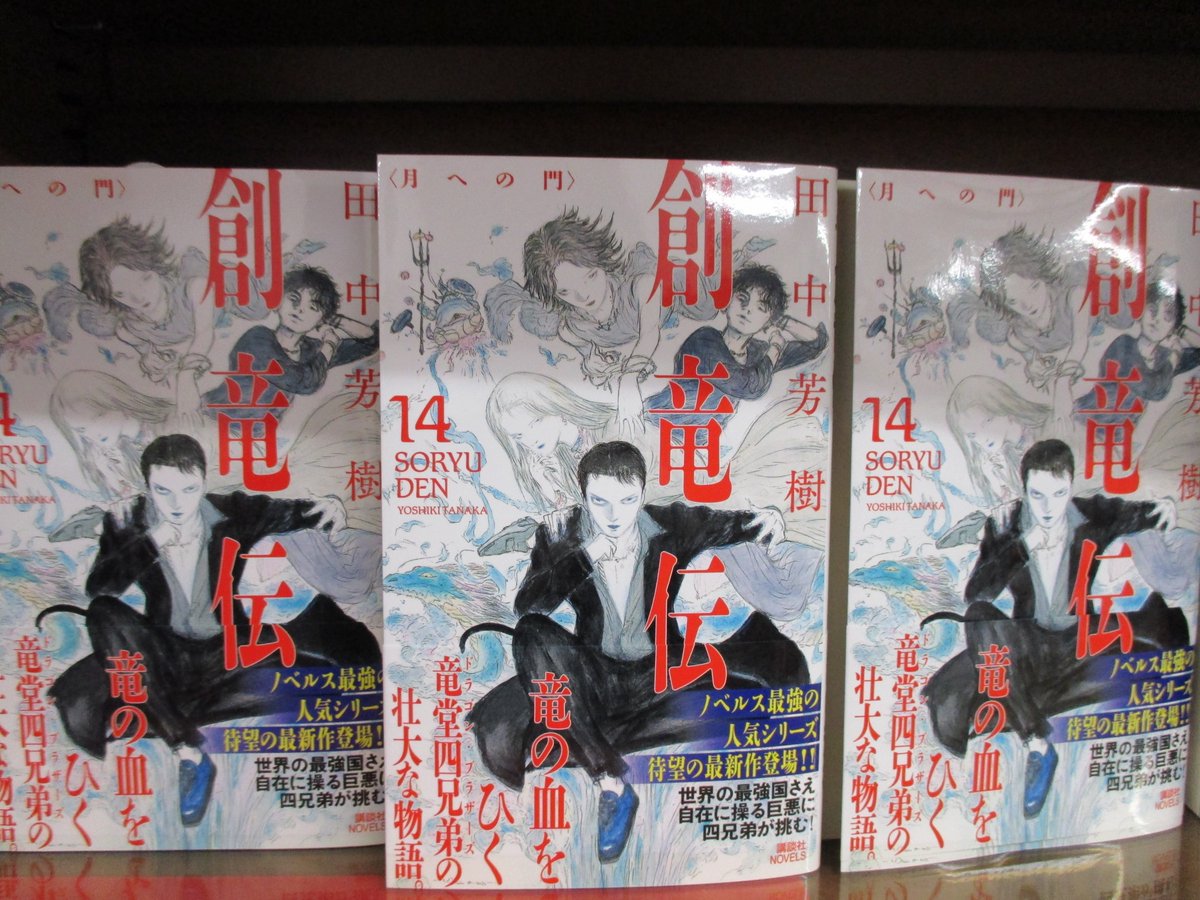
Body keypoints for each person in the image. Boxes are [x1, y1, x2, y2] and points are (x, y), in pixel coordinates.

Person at [465, 441, 807, 862]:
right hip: (593, 677)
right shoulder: (562, 534)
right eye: (600, 502)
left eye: (627, 501)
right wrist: (585, 556)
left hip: (658, 673)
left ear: (642, 494)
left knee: (744, 675)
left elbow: (727, 525)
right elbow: (528, 606)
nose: (614, 515)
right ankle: (611, 781)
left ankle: (595, 744)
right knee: (531, 634)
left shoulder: (670, 525)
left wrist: (765, 519)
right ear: (584, 496)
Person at [40, 434, 380, 826]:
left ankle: (171, 715)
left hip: (226, 650)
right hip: (163, 653)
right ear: (147, 486)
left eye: (188, 490)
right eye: (163, 491)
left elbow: (288, 512)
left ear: (202, 482)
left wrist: (328, 505)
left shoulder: (231, 511)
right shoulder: (130, 521)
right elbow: (101, 586)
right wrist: (153, 541)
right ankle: (188, 751)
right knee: (103, 613)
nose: (177, 504)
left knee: (322, 667)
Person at [921, 439, 1188, 818]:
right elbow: (977, 592)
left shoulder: (1091, 514)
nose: (1048, 508)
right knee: (979, 617)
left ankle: (1028, 716)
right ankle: (1037, 743)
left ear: (1070, 486)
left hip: (1078, 641)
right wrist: (1023, 546)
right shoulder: (1007, 525)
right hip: (1029, 644)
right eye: (1038, 495)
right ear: (1025, 488)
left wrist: (1165, 507)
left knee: (1156, 632)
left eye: (1059, 494)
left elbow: (1138, 513)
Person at [645, 263, 827, 427]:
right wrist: (776, 348)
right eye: (742, 299)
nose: (748, 310)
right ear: (727, 302)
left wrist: (781, 321)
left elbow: (815, 344)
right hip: (656, 427)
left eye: (760, 308)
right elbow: (748, 386)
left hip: (700, 441)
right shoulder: (704, 340)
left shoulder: (757, 353)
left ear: (769, 320)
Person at [202, 265, 378, 420]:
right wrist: (330, 344)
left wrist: (336, 320)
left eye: (312, 307)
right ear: (279, 300)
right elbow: (304, 382)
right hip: (212, 421)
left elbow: (370, 342)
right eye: (294, 299)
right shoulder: (257, 339)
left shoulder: (311, 351)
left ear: (321, 319)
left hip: (256, 436)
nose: (299, 309)